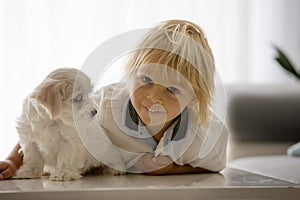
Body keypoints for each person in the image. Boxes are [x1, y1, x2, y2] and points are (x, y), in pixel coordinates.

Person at [0, 19, 228, 179]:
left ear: (193, 99)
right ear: (130, 75)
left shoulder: (204, 135)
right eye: (146, 79)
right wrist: (13, 160)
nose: (152, 96)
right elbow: (48, 121)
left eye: (172, 90)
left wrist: (170, 170)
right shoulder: (105, 105)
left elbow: (214, 167)